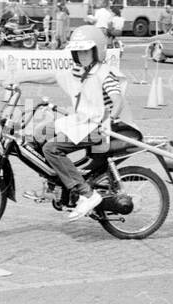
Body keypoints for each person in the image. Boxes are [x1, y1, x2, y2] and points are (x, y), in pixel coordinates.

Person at [43, 26, 125, 220]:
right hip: (83, 122)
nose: (82, 55)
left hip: (98, 127)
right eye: (78, 52)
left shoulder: (104, 73)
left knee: (51, 148)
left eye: (86, 51)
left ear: (97, 51)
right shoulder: (83, 72)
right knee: (41, 132)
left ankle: (87, 194)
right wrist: (17, 78)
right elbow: (53, 77)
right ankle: (55, 184)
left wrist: (111, 118)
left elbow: (117, 99)